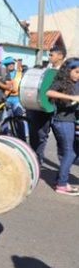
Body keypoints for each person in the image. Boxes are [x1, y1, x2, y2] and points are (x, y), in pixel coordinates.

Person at [45, 58, 79, 195]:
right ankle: (62, 185)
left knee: (70, 152)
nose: (78, 75)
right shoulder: (61, 82)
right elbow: (49, 93)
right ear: (68, 71)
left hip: (71, 121)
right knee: (69, 153)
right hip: (62, 121)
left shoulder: (76, 83)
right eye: (76, 72)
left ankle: (60, 179)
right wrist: (72, 98)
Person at [28, 47, 66, 165]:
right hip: (43, 108)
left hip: (59, 110)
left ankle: (63, 168)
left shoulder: (66, 72)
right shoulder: (46, 71)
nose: (49, 57)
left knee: (61, 140)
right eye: (49, 55)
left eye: (51, 55)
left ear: (60, 56)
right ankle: (36, 161)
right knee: (39, 135)